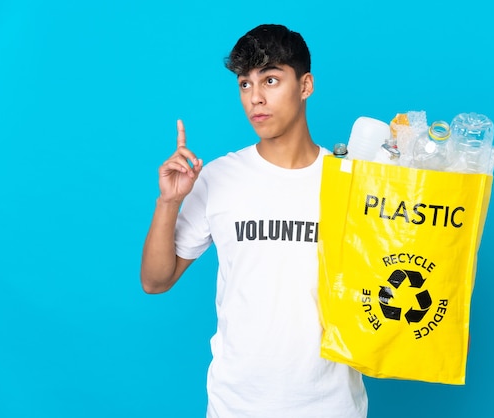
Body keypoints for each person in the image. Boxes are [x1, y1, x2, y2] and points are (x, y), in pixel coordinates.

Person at [140, 24, 368, 417]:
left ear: (305, 85)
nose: (255, 98)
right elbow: (155, 281)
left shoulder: (351, 180)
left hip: (331, 405)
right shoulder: (218, 177)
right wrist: (168, 202)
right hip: (237, 406)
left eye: (271, 80)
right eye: (245, 84)